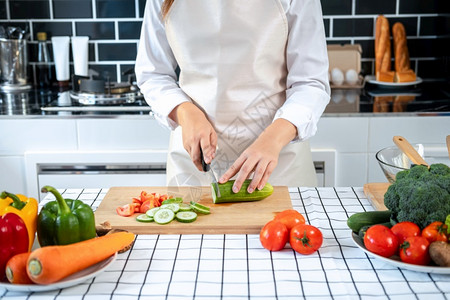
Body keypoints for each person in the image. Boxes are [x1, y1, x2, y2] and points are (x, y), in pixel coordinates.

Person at [135, 0, 330, 193]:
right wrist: (184, 112)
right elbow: (153, 73)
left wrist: (273, 139)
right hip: (194, 159)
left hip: (278, 160)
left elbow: (310, 82)